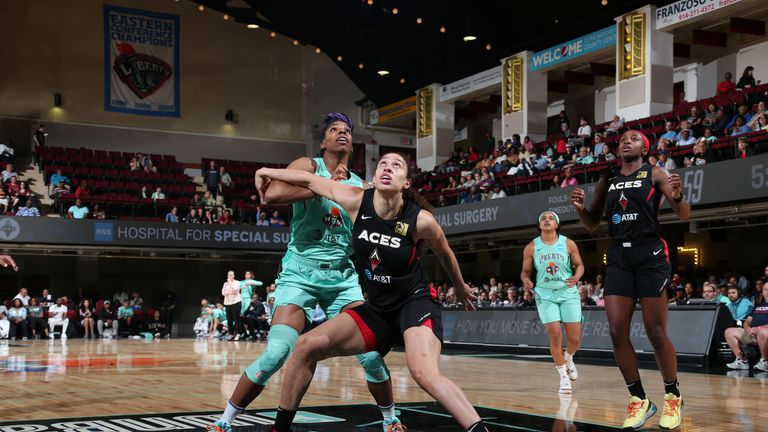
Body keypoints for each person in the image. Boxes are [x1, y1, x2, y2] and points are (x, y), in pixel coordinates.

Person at [253, 152, 487, 432]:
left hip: (414, 303)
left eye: (396, 165)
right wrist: (266, 168)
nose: (387, 168)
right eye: (382, 164)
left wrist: (459, 287)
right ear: (374, 179)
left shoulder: (420, 220)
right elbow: (308, 179)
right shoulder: (354, 200)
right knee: (305, 347)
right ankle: (279, 429)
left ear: (406, 183)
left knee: (423, 373)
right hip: (377, 309)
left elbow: (445, 253)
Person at [208, 113, 403, 432]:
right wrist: (328, 187)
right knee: (276, 353)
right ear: (323, 141)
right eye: (334, 130)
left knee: (370, 355)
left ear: (351, 143)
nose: (342, 134)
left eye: (347, 131)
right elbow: (272, 195)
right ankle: (225, 420)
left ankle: (390, 419)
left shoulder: (364, 185)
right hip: (300, 276)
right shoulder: (308, 166)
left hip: (342, 280)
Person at [570, 130, 690, 430]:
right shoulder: (607, 178)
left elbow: (684, 215)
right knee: (616, 330)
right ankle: (639, 400)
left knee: (656, 332)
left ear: (644, 148)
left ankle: (673, 395)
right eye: (623, 138)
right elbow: (592, 223)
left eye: (634, 138)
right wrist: (581, 209)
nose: (626, 141)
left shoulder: (656, 173)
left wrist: (678, 196)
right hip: (620, 259)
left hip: (650, 255)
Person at [521, 211, 585, 394]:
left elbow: (579, 264)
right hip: (545, 294)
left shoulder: (568, 243)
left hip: (568, 292)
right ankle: (563, 377)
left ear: (556, 224)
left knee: (575, 339)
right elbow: (525, 271)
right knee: (555, 335)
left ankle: (569, 357)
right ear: (539, 225)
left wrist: (577, 276)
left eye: (551, 218)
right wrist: (526, 280)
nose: (547, 220)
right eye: (543, 218)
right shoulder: (532, 247)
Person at [725, 282, 768, 371]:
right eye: (765, 290)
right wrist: (748, 329)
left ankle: (765, 361)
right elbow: (747, 321)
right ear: (762, 292)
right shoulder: (758, 306)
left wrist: (759, 329)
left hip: (765, 334)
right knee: (729, 331)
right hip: (753, 335)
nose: (767, 292)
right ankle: (742, 361)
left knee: (763, 332)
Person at [222, 270, 244, 341]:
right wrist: (229, 292)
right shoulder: (225, 284)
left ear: (234, 276)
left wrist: (230, 283)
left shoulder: (237, 282)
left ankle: (238, 333)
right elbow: (223, 293)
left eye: (231, 275)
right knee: (229, 319)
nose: (230, 276)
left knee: (236, 318)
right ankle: (231, 334)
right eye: (229, 275)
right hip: (228, 303)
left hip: (236, 302)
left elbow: (236, 290)